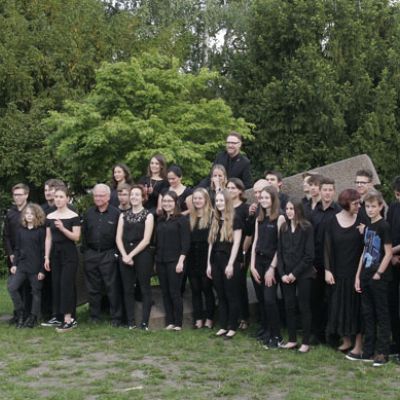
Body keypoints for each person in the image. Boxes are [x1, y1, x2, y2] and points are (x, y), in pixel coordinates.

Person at [324, 189, 364, 357]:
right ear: (346, 204)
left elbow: (367, 247)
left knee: (357, 309)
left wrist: (364, 233)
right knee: (341, 306)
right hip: (339, 272)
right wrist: (327, 270)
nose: (358, 206)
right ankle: (346, 340)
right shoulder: (332, 221)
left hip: (357, 273)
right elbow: (327, 246)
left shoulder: (362, 220)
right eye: (355, 203)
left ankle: (358, 345)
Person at [355, 189, 392, 366]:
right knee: (368, 314)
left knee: (382, 314)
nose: (370, 209)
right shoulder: (368, 226)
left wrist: (379, 273)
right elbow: (364, 251)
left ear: (380, 207)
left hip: (379, 278)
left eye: (373, 206)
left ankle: (383, 352)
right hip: (366, 275)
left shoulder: (384, 226)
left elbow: (388, 253)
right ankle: (368, 350)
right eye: (367, 206)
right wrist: (358, 276)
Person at [250, 186, 285, 348]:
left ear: (273, 199)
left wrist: (272, 268)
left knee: (270, 300)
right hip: (258, 262)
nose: (263, 200)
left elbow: (280, 246)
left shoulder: (280, 218)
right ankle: (267, 331)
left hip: (272, 263)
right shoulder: (259, 217)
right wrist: (252, 266)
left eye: (266, 197)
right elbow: (255, 242)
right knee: (263, 300)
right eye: (261, 197)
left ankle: (277, 336)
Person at [82, 184, 122, 326]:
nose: (98, 198)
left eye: (101, 195)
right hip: (92, 254)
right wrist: (87, 253)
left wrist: (116, 254)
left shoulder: (116, 213)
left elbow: (120, 235)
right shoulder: (88, 213)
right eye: (96, 195)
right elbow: (84, 234)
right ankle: (94, 316)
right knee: (93, 288)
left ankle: (116, 318)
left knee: (112, 287)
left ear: (108, 197)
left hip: (109, 254)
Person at [116, 185, 154, 330]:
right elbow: (118, 238)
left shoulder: (148, 215)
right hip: (125, 253)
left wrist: (131, 255)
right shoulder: (123, 215)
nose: (134, 197)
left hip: (142, 254)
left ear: (143, 197)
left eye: (137, 194)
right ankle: (131, 322)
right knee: (127, 289)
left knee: (144, 287)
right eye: (132, 194)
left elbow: (146, 240)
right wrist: (125, 255)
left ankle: (144, 322)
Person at [278, 199, 314, 353]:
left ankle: (305, 342)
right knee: (289, 306)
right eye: (287, 209)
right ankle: (292, 339)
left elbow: (309, 255)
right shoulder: (284, 227)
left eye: (292, 208)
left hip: (303, 273)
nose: (289, 211)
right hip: (286, 274)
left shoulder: (307, 228)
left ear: (298, 210)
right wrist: (282, 274)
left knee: (304, 306)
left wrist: (295, 273)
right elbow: (280, 252)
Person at [44, 186, 81, 332]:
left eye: (61, 197)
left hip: (69, 253)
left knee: (66, 285)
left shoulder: (73, 216)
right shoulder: (50, 216)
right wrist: (46, 257)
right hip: (55, 254)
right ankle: (60, 316)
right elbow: (48, 238)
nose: (58, 200)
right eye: (56, 197)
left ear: (67, 199)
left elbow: (76, 237)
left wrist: (63, 228)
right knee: (57, 285)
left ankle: (68, 319)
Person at [207, 189, 243, 339]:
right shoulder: (215, 219)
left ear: (227, 201)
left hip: (229, 260)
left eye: (222, 200)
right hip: (215, 260)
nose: (219, 203)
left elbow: (237, 244)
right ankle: (223, 326)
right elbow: (211, 243)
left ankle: (232, 327)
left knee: (231, 294)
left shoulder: (236, 218)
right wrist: (208, 264)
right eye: (217, 201)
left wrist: (230, 264)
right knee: (220, 295)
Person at [310, 176, 341, 344]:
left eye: (330, 190)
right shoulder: (314, 212)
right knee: (315, 299)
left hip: (334, 264)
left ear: (334, 192)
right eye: (325, 190)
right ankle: (317, 333)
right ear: (320, 192)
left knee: (332, 300)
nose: (327, 193)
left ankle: (333, 335)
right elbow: (309, 238)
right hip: (316, 263)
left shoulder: (338, 212)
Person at [156, 191, 190, 330]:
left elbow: (186, 243)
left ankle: (178, 323)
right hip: (161, 260)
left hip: (175, 261)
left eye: (170, 201)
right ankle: (169, 321)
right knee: (165, 292)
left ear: (175, 203)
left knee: (174, 292)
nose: (167, 204)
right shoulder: (160, 220)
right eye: (164, 201)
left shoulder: (182, 219)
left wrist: (181, 261)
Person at [7, 204, 46, 328]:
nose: (29, 216)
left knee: (35, 292)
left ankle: (33, 318)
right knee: (12, 287)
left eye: (32, 214)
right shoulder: (20, 230)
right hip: (22, 266)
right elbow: (17, 249)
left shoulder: (41, 231)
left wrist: (42, 270)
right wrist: (14, 264)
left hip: (36, 268)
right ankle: (21, 313)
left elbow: (44, 252)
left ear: (37, 216)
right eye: (27, 213)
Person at [187, 188, 215, 329]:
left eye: (200, 198)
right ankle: (198, 318)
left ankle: (209, 318)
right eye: (195, 198)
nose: (197, 201)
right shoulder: (190, 217)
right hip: (192, 256)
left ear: (206, 200)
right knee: (195, 289)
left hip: (206, 255)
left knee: (207, 288)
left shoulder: (212, 216)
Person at [3, 183, 30, 324]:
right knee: (14, 286)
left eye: (20, 194)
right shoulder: (10, 213)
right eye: (15, 195)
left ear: (26, 195)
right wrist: (10, 253)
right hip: (13, 256)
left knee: (27, 286)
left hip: (28, 255)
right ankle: (18, 313)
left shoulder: (31, 211)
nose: (17, 197)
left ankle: (28, 314)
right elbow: (6, 236)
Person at [226, 178, 251, 329]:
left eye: (233, 188)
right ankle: (231, 316)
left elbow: (249, 234)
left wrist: (243, 252)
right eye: (228, 188)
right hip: (225, 251)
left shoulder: (245, 208)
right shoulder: (225, 207)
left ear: (240, 190)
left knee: (240, 284)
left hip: (241, 251)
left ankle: (244, 317)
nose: (230, 190)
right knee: (229, 286)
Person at [387, 176, 400, 360]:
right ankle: (396, 342)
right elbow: (387, 232)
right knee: (393, 304)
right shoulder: (393, 208)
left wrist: (392, 252)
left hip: (394, 255)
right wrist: (391, 255)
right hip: (393, 263)